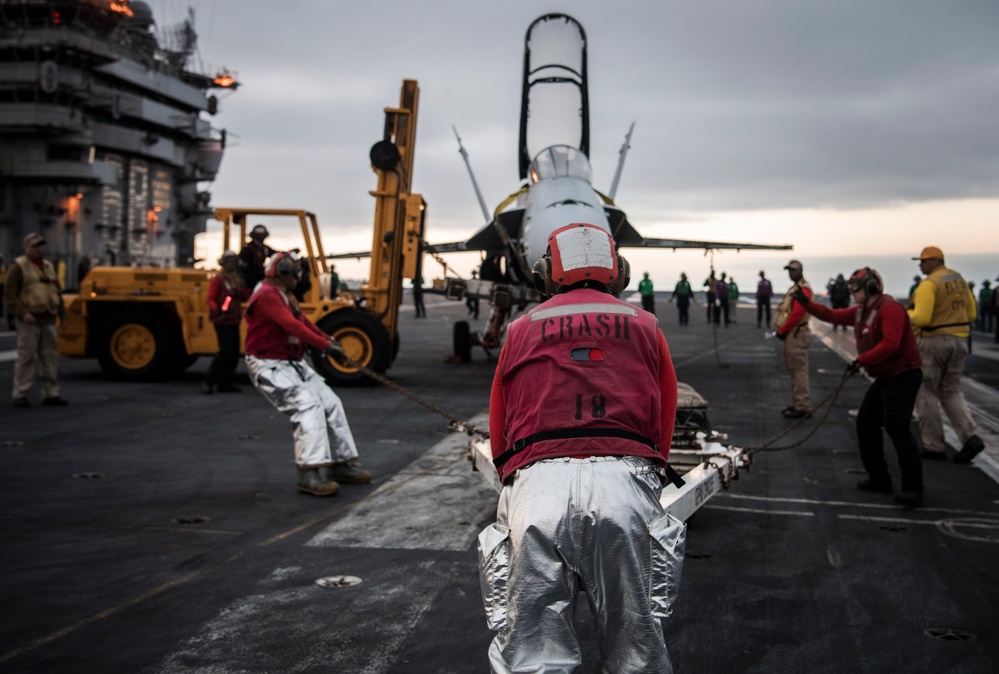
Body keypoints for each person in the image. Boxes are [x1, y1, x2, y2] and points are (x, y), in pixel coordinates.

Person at [479, 223, 684, 673]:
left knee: (531, 644)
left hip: (537, 489)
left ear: (546, 273)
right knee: (637, 641)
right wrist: (650, 470)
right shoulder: (645, 325)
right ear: (619, 271)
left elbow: (500, 414)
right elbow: (665, 406)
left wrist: (512, 477)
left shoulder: (519, 328)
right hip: (624, 488)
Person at [792, 268, 925, 506]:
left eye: (856, 288)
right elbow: (832, 315)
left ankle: (913, 487)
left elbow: (891, 344)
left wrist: (862, 360)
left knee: (898, 429)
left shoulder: (890, 309)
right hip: (887, 376)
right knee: (866, 422)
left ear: (871, 287)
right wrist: (808, 304)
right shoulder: (863, 311)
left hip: (903, 376)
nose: (851, 292)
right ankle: (879, 478)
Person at [243, 251, 371, 496]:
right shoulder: (268, 296)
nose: (298, 278)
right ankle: (308, 471)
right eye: (295, 274)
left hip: (291, 361)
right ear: (284, 274)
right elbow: (291, 325)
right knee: (308, 405)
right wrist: (324, 346)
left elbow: (302, 321)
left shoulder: (284, 295)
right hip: (269, 364)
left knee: (330, 402)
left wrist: (327, 339)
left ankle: (340, 464)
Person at [907, 246, 984, 464]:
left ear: (934, 261)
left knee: (926, 391)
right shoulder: (958, 280)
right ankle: (970, 436)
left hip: (934, 341)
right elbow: (971, 313)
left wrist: (906, 314)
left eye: (923, 261)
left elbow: (921, 318)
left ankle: (934, 445)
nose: (920, 265)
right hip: (960, 339)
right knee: (951, 390)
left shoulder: (929, 284)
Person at [5, 233, 68, 407]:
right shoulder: (19, 266)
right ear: (26, 247)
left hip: (48, 318)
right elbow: (9, 294)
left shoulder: (48, 266)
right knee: (27, 356)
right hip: (29, 318)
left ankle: (51, 393)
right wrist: (22, 313)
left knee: (50, 356)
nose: (39, 248)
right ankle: (20, 393)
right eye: (35, 245)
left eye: (41, 245)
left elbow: (56, 291)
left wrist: (62, 314)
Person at [202, 251, 249, 395]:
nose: (232, 264)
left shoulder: (236, 280)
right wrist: (216, 310)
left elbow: (243, 296)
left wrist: (245, 290)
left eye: (233, 262)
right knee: (224, 350)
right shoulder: (219, 280)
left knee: (233, 353)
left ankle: (225, 382)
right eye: (229, 262)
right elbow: (211, 298)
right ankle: (209, 381)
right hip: (222, 320)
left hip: (233, 319)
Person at [774, 259, 813, 418]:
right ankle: (799, 402)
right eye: (789, 270)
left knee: (798, 370)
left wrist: (783, 330)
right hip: (794, 334)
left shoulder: (802, 290)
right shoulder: (796, 289)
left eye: (794, 270)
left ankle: (802, 406)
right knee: (794, 370)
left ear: (800, 271)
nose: (791, 273)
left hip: (797, 334)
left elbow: (797, 314)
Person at [238, 224, 274, 290]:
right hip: (250, 282)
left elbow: (274, 254)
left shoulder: (264, 248)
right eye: (259, 237)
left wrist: (287, 253)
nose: (261, 239)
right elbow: (241, 268)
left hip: (261, 278)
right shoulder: (247, 249)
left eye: (262, 236)